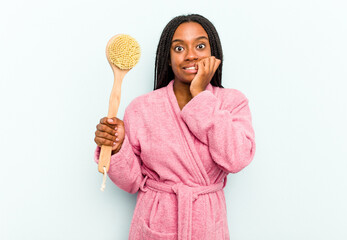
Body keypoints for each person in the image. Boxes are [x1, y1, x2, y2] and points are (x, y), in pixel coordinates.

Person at [94, 14, 256, 240]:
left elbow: (236, 158)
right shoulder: (142, 108)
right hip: (155, 223)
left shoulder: (231, 103)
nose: (190, 55)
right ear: (168, 58)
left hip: (207, 226)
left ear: (213, 54)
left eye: (200, 46)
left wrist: (200, 95)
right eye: (179, 49)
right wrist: (118, 146)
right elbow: (130, 183)